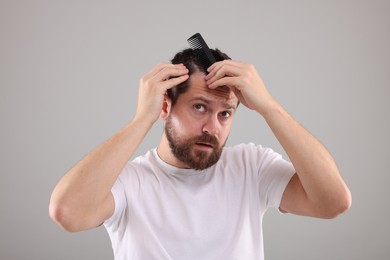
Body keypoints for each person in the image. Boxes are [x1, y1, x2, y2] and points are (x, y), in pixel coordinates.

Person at [49, 48, 352, 259]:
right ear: (165, 107)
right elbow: (68, 213)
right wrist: (142, 119)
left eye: (225, 114)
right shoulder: (129, 181)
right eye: (199, 107)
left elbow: (333, 202)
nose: (212, 127)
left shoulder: (251, 167)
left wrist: (269, 107)